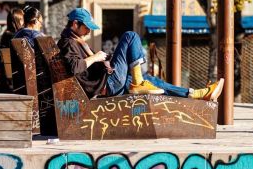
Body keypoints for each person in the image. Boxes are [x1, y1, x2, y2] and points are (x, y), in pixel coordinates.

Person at [57, 7, 221, 100]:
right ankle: (137, 83)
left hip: (108, 80)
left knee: (152, 81)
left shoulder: (76, 40)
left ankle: (198, 94)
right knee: (130, 36)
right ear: (75, 23)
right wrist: (96, 57)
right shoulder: (67, 43)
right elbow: (74, 67)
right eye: (86, 27)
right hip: (106, 85)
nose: (88, 31)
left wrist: (103, 59)